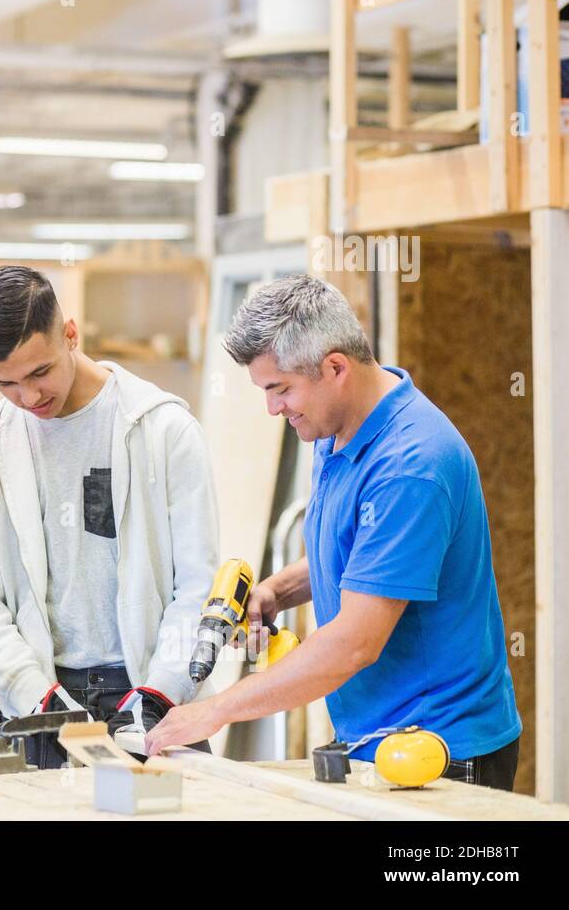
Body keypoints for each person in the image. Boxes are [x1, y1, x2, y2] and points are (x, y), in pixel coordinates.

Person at [144, 276, 522, 792]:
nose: (273, 409)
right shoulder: (337, 424)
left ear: (335, 368)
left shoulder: (410, 466)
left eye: (280, 389)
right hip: (376, 738)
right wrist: (282, 588)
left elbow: (354, 644)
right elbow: (366, 555)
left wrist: (215, 710)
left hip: (440, 751)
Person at [0, 265, 220, 766]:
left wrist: (161, 693)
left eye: (39, 373)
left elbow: (198, 587)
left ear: (70, 335)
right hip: (42, 706)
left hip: (155, 694)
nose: (29, 398)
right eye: (4, 384)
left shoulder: (165, 431)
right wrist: (37, 697)